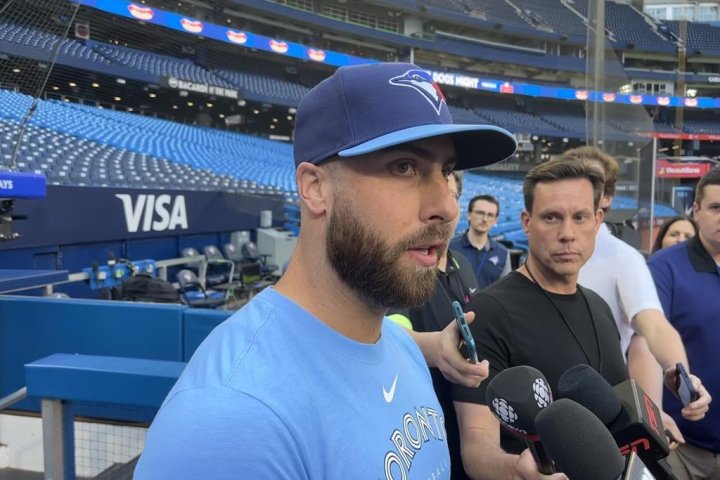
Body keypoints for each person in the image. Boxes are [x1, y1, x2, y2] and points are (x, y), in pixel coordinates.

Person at [133, 62, 518, 479]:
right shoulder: (230, 422)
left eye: (445, 171)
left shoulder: (399, 343)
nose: (446, 205)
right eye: (404, 167)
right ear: (315, 188)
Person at [456, 159, 626, 479]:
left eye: (579, 217)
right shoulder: (488, 312)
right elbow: (476, 443)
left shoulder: (600, 306)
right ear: (526, 221)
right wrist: (518, 472)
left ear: (598, 221)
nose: (567, 234)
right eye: (551, 217)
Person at [567, 147, 709, 447]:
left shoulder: (624, 259)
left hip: (599, 417)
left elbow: (653, 327)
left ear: (606, 199)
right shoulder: (543, 250)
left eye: (592, 181)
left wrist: (678, 370)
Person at [389, 171, 491, 480]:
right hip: (425, 430)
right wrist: (435, 349)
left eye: (452, 195)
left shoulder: (462, 264)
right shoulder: (402, 266)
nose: (443, 205)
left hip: (471, 420)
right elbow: (391, 333)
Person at [648, 167, 719, 480]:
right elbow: (646, 342)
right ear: (696, 210)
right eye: (716, 208)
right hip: (683, 445)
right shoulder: (665, 266)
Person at [450, 194, 511, 288]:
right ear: (469, 215)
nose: (485, 219)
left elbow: (505, 289)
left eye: (490, 215)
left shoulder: (502, 253)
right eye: (480, 213)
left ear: (495, 220)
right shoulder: (450, 247)